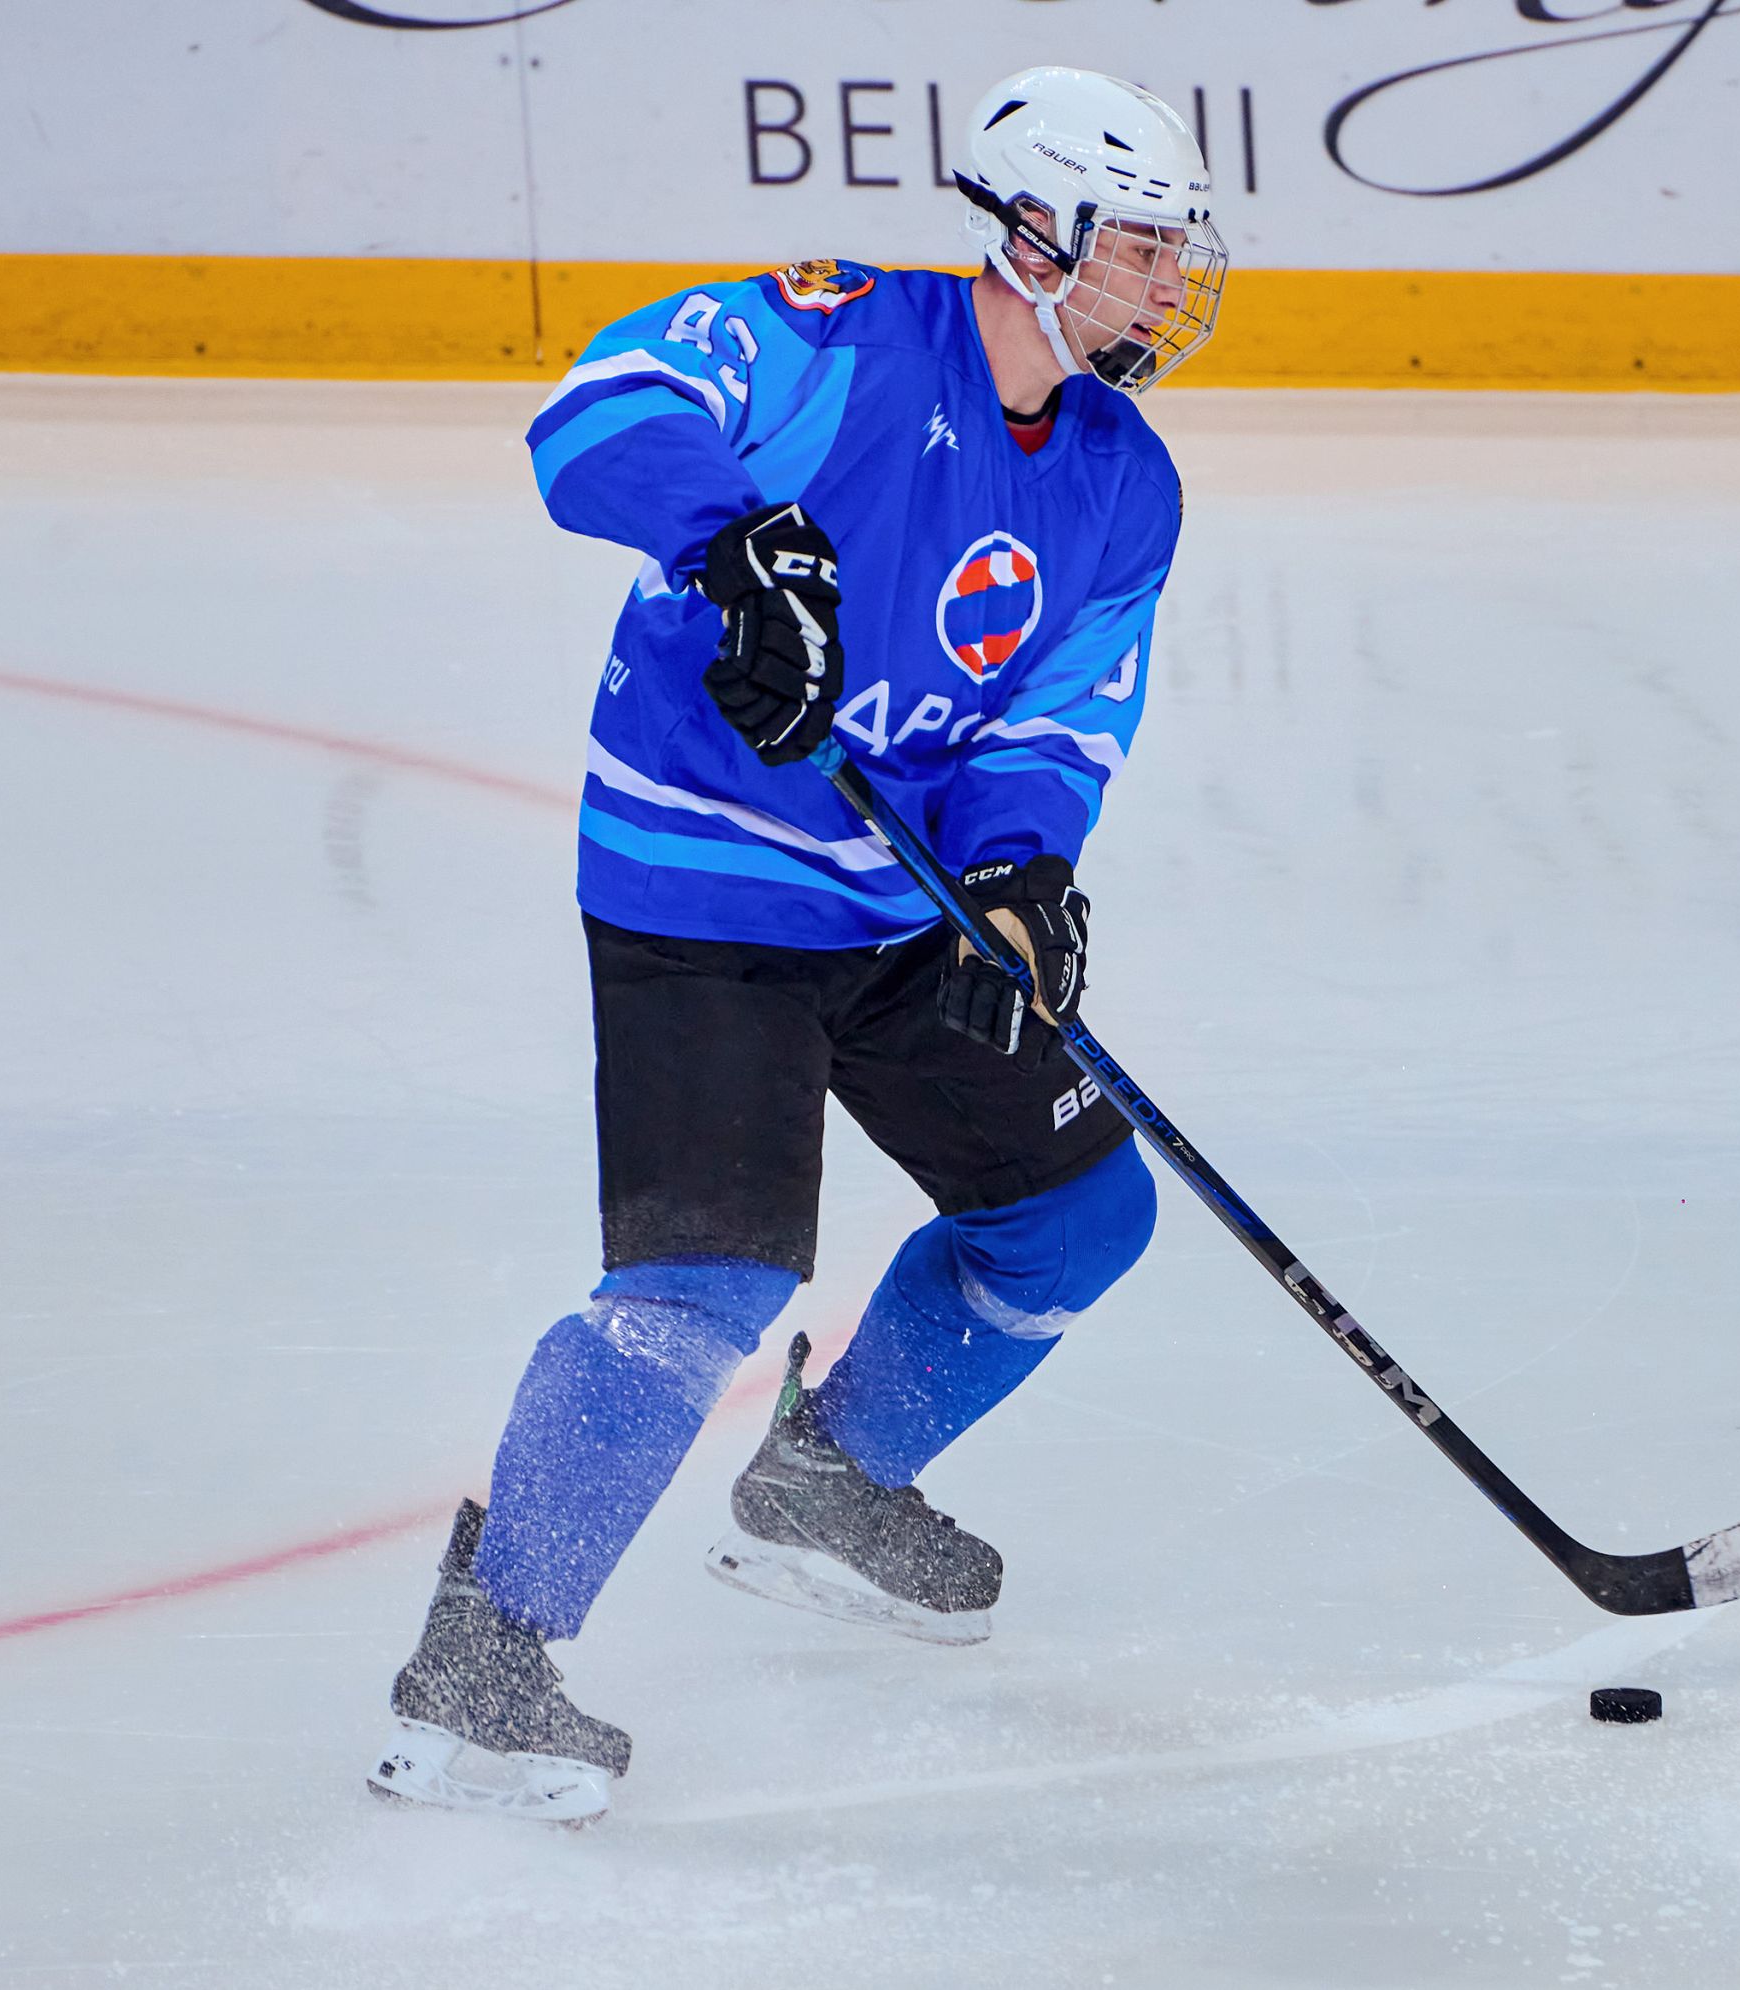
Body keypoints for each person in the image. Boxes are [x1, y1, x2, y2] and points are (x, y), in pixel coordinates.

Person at [364, 67, 1229, 1823]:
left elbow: (1061, 713)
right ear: (1033, 231)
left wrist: (1020, 869)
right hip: (703, 885)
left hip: (898, 897)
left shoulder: (1126, 482)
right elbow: (595, 413)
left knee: (1078, 1214)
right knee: (705, 1285)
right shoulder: (835, 335)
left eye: (1174, 248)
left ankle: (825, 1483)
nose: (1169, 280)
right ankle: (479, 1668)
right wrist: (735, 535)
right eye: (1141, 243)